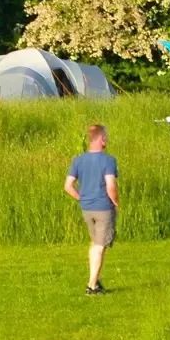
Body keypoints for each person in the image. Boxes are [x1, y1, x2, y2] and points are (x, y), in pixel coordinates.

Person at [64, 123, 119, 294]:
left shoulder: (78, 160)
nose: (107, 140)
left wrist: (82, 198)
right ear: (101, 139)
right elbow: (111, 185)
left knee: (95, 243)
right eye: (106, 137)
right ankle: (92, 285)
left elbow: (68, 186)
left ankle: (95, 278)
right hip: (103, 207)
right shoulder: (108, 160)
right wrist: (116, 203)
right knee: (100, 245)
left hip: (87, 208)